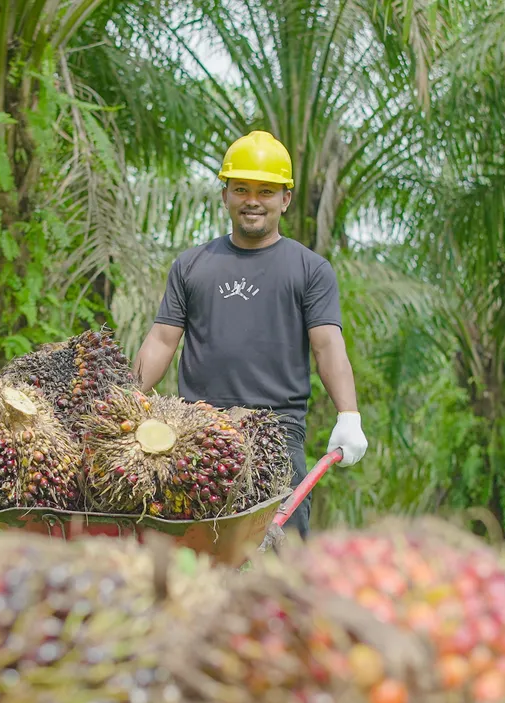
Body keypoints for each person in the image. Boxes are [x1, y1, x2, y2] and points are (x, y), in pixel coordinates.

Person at [132, 130, 367, 539]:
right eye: (241, 189)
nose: (253, 200)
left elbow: (328, 345)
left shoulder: (310, 270)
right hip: (197, 431)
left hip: (277, 433)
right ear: (225, 196)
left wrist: (349, 413)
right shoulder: (192, 265)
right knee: (197, 553)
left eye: (265, 191)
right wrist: (126, 398)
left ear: (285, 199)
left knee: (280, 556)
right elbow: (162, 340)